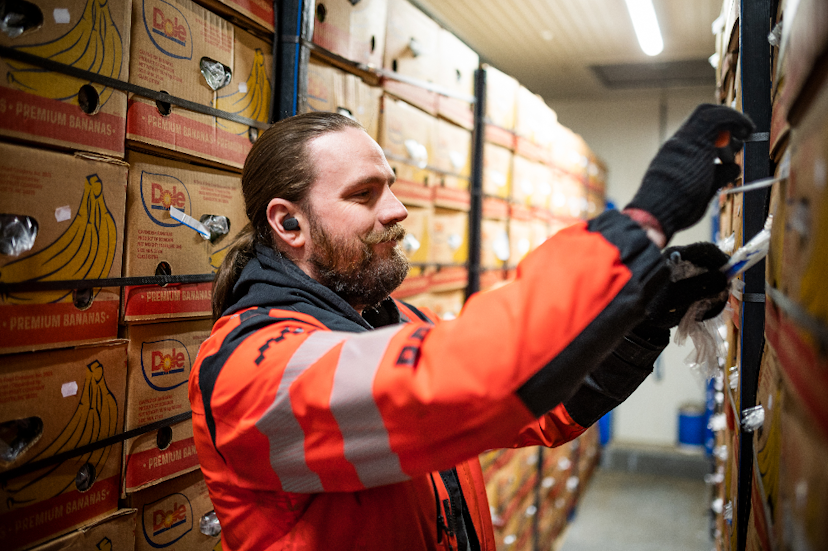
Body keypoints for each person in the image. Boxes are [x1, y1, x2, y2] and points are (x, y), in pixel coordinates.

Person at [189, 106, 753, 551]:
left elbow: (531, 402)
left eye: (390, 186)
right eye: (364, 194)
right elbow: (459, 382)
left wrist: (640, 318)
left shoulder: (391, 321)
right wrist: (639, 226)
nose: (397, 209)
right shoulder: (249, 369)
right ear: (289, 223)